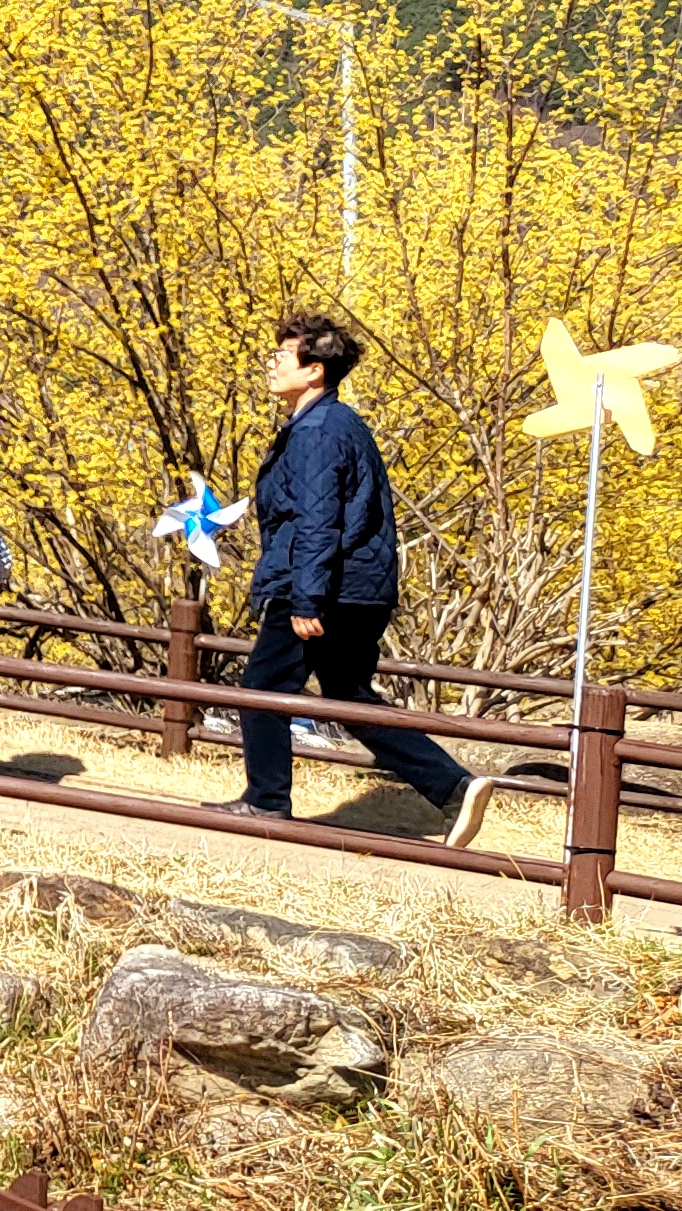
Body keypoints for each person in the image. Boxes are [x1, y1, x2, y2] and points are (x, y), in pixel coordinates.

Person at [213, 312, 497, 844]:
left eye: (282, 355)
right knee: (348, 695)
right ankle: (455, 787)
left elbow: (320, 518)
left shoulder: (319, 432)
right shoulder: (329, 424)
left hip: (326, 587)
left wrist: (306, 598)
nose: (271, 364)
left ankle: (266, 801)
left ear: (314, 370)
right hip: (354, 587)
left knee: (262, 689)